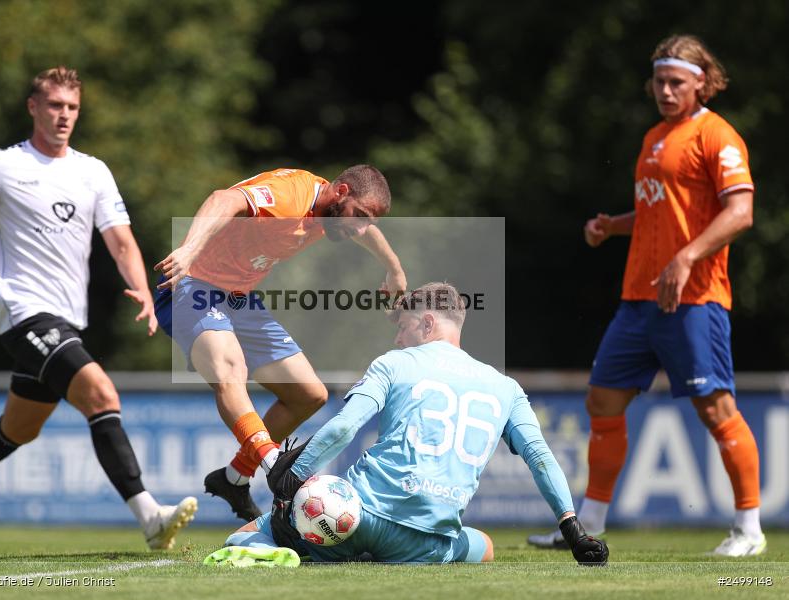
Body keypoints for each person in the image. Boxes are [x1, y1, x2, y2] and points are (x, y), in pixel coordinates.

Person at [0, 67, 196, 551]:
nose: (64, 115)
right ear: (33, 107)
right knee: (101, 394)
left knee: (19, 429)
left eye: (72, 107)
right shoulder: (2, 167)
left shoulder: (93, 172)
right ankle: (150, 516)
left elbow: (121, 241)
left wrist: (142, 289)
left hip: (67, 321)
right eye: (55, 105)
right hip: (24, 314)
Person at [527, 35, 763, 556]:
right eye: (659, 81)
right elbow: (662, 213)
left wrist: (687, 257)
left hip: (694, 298)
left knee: (715, 408)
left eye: (676, 81)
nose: (665, 90)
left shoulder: (717, 135)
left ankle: (749, 529)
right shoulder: (655, 136)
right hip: (639, 298)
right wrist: (613, 226)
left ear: (702, 83)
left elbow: (741, 212)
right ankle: (590, 522)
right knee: (602, 400)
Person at [203, 283, 608, 566]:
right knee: (484, 545)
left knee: (245, 535)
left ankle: (285, 549)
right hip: (429, 542)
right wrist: (572, 529)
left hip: (359, 519)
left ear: (427, 323)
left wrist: (292, 474)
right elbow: (540, 458)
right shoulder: (506, 387)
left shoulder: (395, 363)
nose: (398, 338)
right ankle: (373, 552)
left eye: (403, 326)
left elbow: (344, 428)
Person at [154, 166, 406, 522]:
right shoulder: (291, 197)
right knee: (232, 371)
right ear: (341, 192)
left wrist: (394, 268)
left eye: (368, 222)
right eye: (360, 216)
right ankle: (272, 462)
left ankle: (235, 477)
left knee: (308, 394)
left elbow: (366, 232)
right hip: (192, 285)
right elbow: (223, 199)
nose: (361, 229)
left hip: (238, 298)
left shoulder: (332, 212)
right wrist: (189, 249)